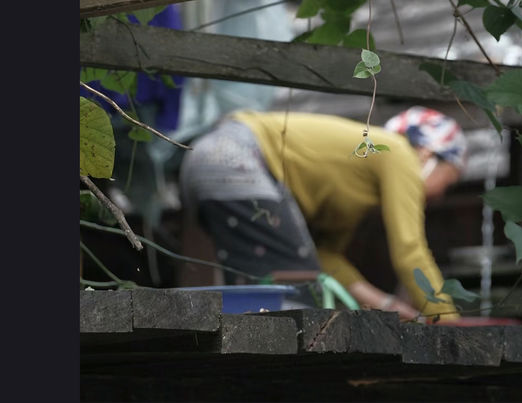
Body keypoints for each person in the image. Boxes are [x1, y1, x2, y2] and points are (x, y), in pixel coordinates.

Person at [179, 106, 467, 322]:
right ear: (428, 155)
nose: (443, 194)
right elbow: (410, 251)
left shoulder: (354, 192)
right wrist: (450, 323)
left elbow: (324, 260)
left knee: (258, 295)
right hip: (237, 155)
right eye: (449, 180)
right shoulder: (399, 151)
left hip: (200, 157)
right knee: (295, 295)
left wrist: (386, 304)